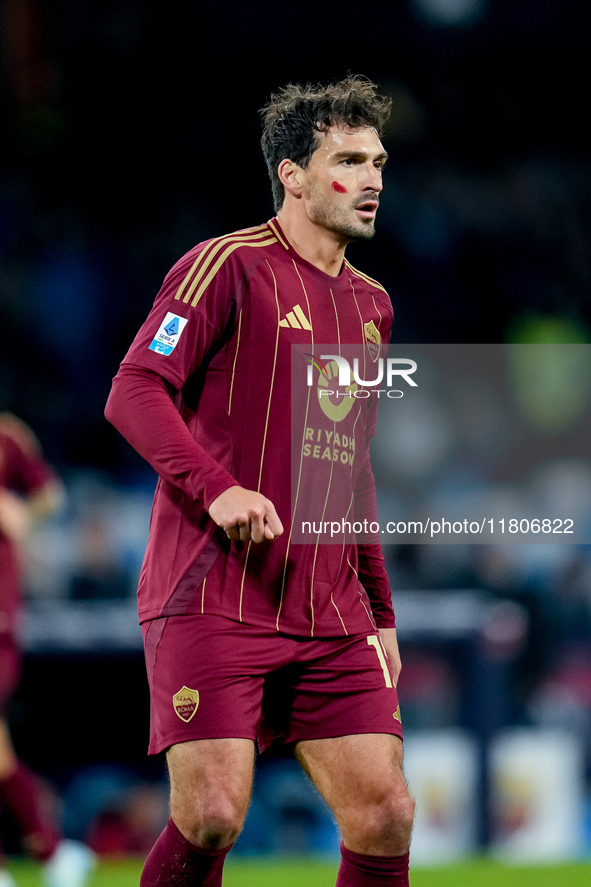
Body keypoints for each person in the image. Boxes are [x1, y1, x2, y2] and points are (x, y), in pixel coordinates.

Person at [105, 75, 415, 886]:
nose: (374, 178)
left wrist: (379, 610)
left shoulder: (374, 307)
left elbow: (349, 469)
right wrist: (219, 488)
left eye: (378, 159)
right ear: (293, 174)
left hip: (329, 606)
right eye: (348, 159)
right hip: (216, 591)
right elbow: (133, 389)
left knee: (384, 813)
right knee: (211, 815)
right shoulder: (226, 266)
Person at [0, 413, 95, 887]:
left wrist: (20, 512)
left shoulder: (8, 437)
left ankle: (51, 856)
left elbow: (48, 495)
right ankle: (51, 854)